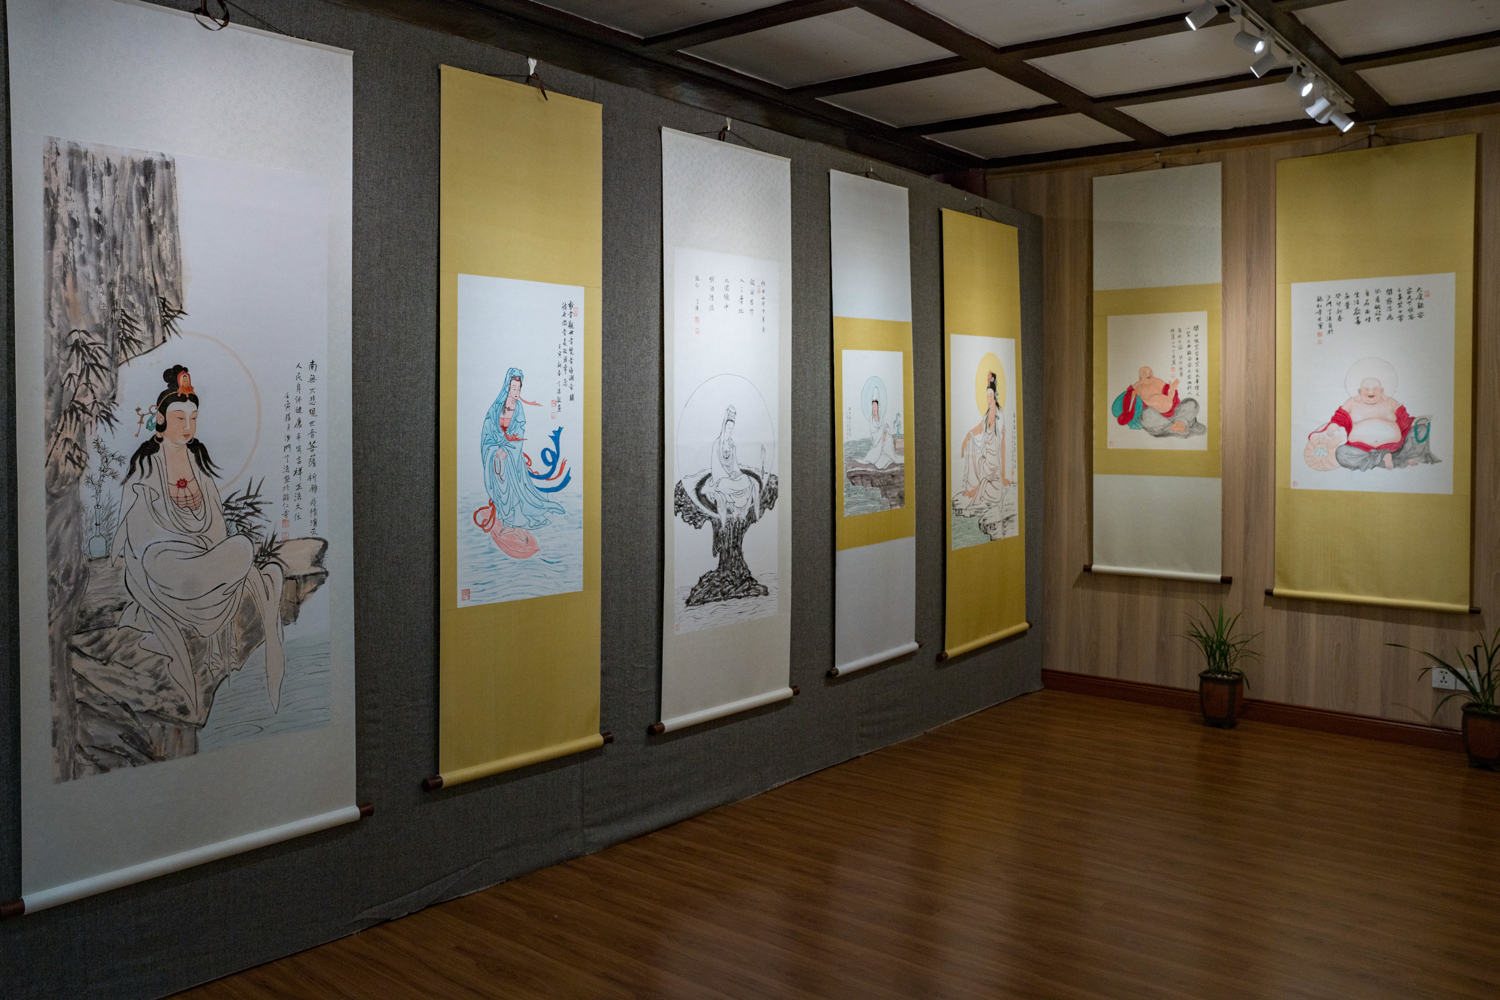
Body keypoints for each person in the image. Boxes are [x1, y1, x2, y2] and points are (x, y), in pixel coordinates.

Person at [114, 365, 286, 714]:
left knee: (241, 546)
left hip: (204, 560)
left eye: (193, 419)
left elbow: (217, 529)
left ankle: (205, 588)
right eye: (179, 418)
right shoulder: (146, 468)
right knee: (168, 562)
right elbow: (137, 536)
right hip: (165, 563)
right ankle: (198, 589)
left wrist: (208, 549)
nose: (187, 427)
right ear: (160, 420)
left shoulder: (199, 466)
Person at [478, 367, 563, 558]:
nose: (516, 392)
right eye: (514, 388)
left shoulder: (519, 409)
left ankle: (517, 527)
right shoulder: (496, 408)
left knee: (515, 490)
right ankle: (507, 524)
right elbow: (487, 433)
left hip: (512, 457)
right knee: (501, 492)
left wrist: (506, 448)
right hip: (496, 459)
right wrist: (495, 450)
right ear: (507, 387)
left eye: (519, 389)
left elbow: (519, 431)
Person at [1305, 361, 1438, 471]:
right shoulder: (1351, 403)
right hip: (1362, 450)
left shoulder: (1391, 402)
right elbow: (1341, 417)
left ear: (1381, 390)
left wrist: (1417, 421)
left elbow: (1404, 421)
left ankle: (1387, 457)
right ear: (1359, 391)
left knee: (1421, 429)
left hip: (1394, 447)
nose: (1370, 392)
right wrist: (1335, 424)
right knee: (1341, 453)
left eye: (1375, 389)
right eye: (1366, 389)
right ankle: (1390, 459)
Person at [953, 372, 1010, 539]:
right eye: (987, 396)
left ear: (995, 396)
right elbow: (979, 427)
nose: (988, 399)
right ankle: (972, 488)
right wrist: (968, 436)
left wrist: (1003, 475)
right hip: (986, 461)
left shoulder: (999, 416)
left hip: (994, 464)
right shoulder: (986, 416)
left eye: (990, 396)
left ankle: (976, 490)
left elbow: (1003, 445)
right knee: (973, 448)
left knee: (994, 491)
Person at [1112, 365, 1206, 438]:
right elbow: (1131, 403)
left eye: (1150, 372)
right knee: (1146, 413)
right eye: (1145, 373)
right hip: (1157, 418)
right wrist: (1142, 398)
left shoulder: (1158, 382)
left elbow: (1170, 396)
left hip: (1173, 414)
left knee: (1191, 402)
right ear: (1140, 377)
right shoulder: (1138, 386)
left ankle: (1180, 422)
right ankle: (1171, 427)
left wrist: (1172, 391)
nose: (1148, 374)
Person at [708, 405, 757, 519]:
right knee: (725, 484)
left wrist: (735, 473)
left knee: (745, 479)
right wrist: (727, 476)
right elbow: (716, 468)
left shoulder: (732, 444)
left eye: (732, 427)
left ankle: (737, 506)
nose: (730, 430)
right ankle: (735, 506)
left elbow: (735, 464)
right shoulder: (717, 444)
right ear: (724, 426)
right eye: (728, 427)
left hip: (732, 479)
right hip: (722, 479)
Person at [861, 397, 901, 469]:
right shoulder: (871, 419)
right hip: (877, 439)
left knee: (889, 437)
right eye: (873, 407)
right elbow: (873, 432)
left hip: (882, 436)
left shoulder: (881, 417)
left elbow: (883, 427)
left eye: (875, 407)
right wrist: (881, 432)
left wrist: (884, 433)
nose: (874, 409)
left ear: (878, 407)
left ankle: (890, 454)